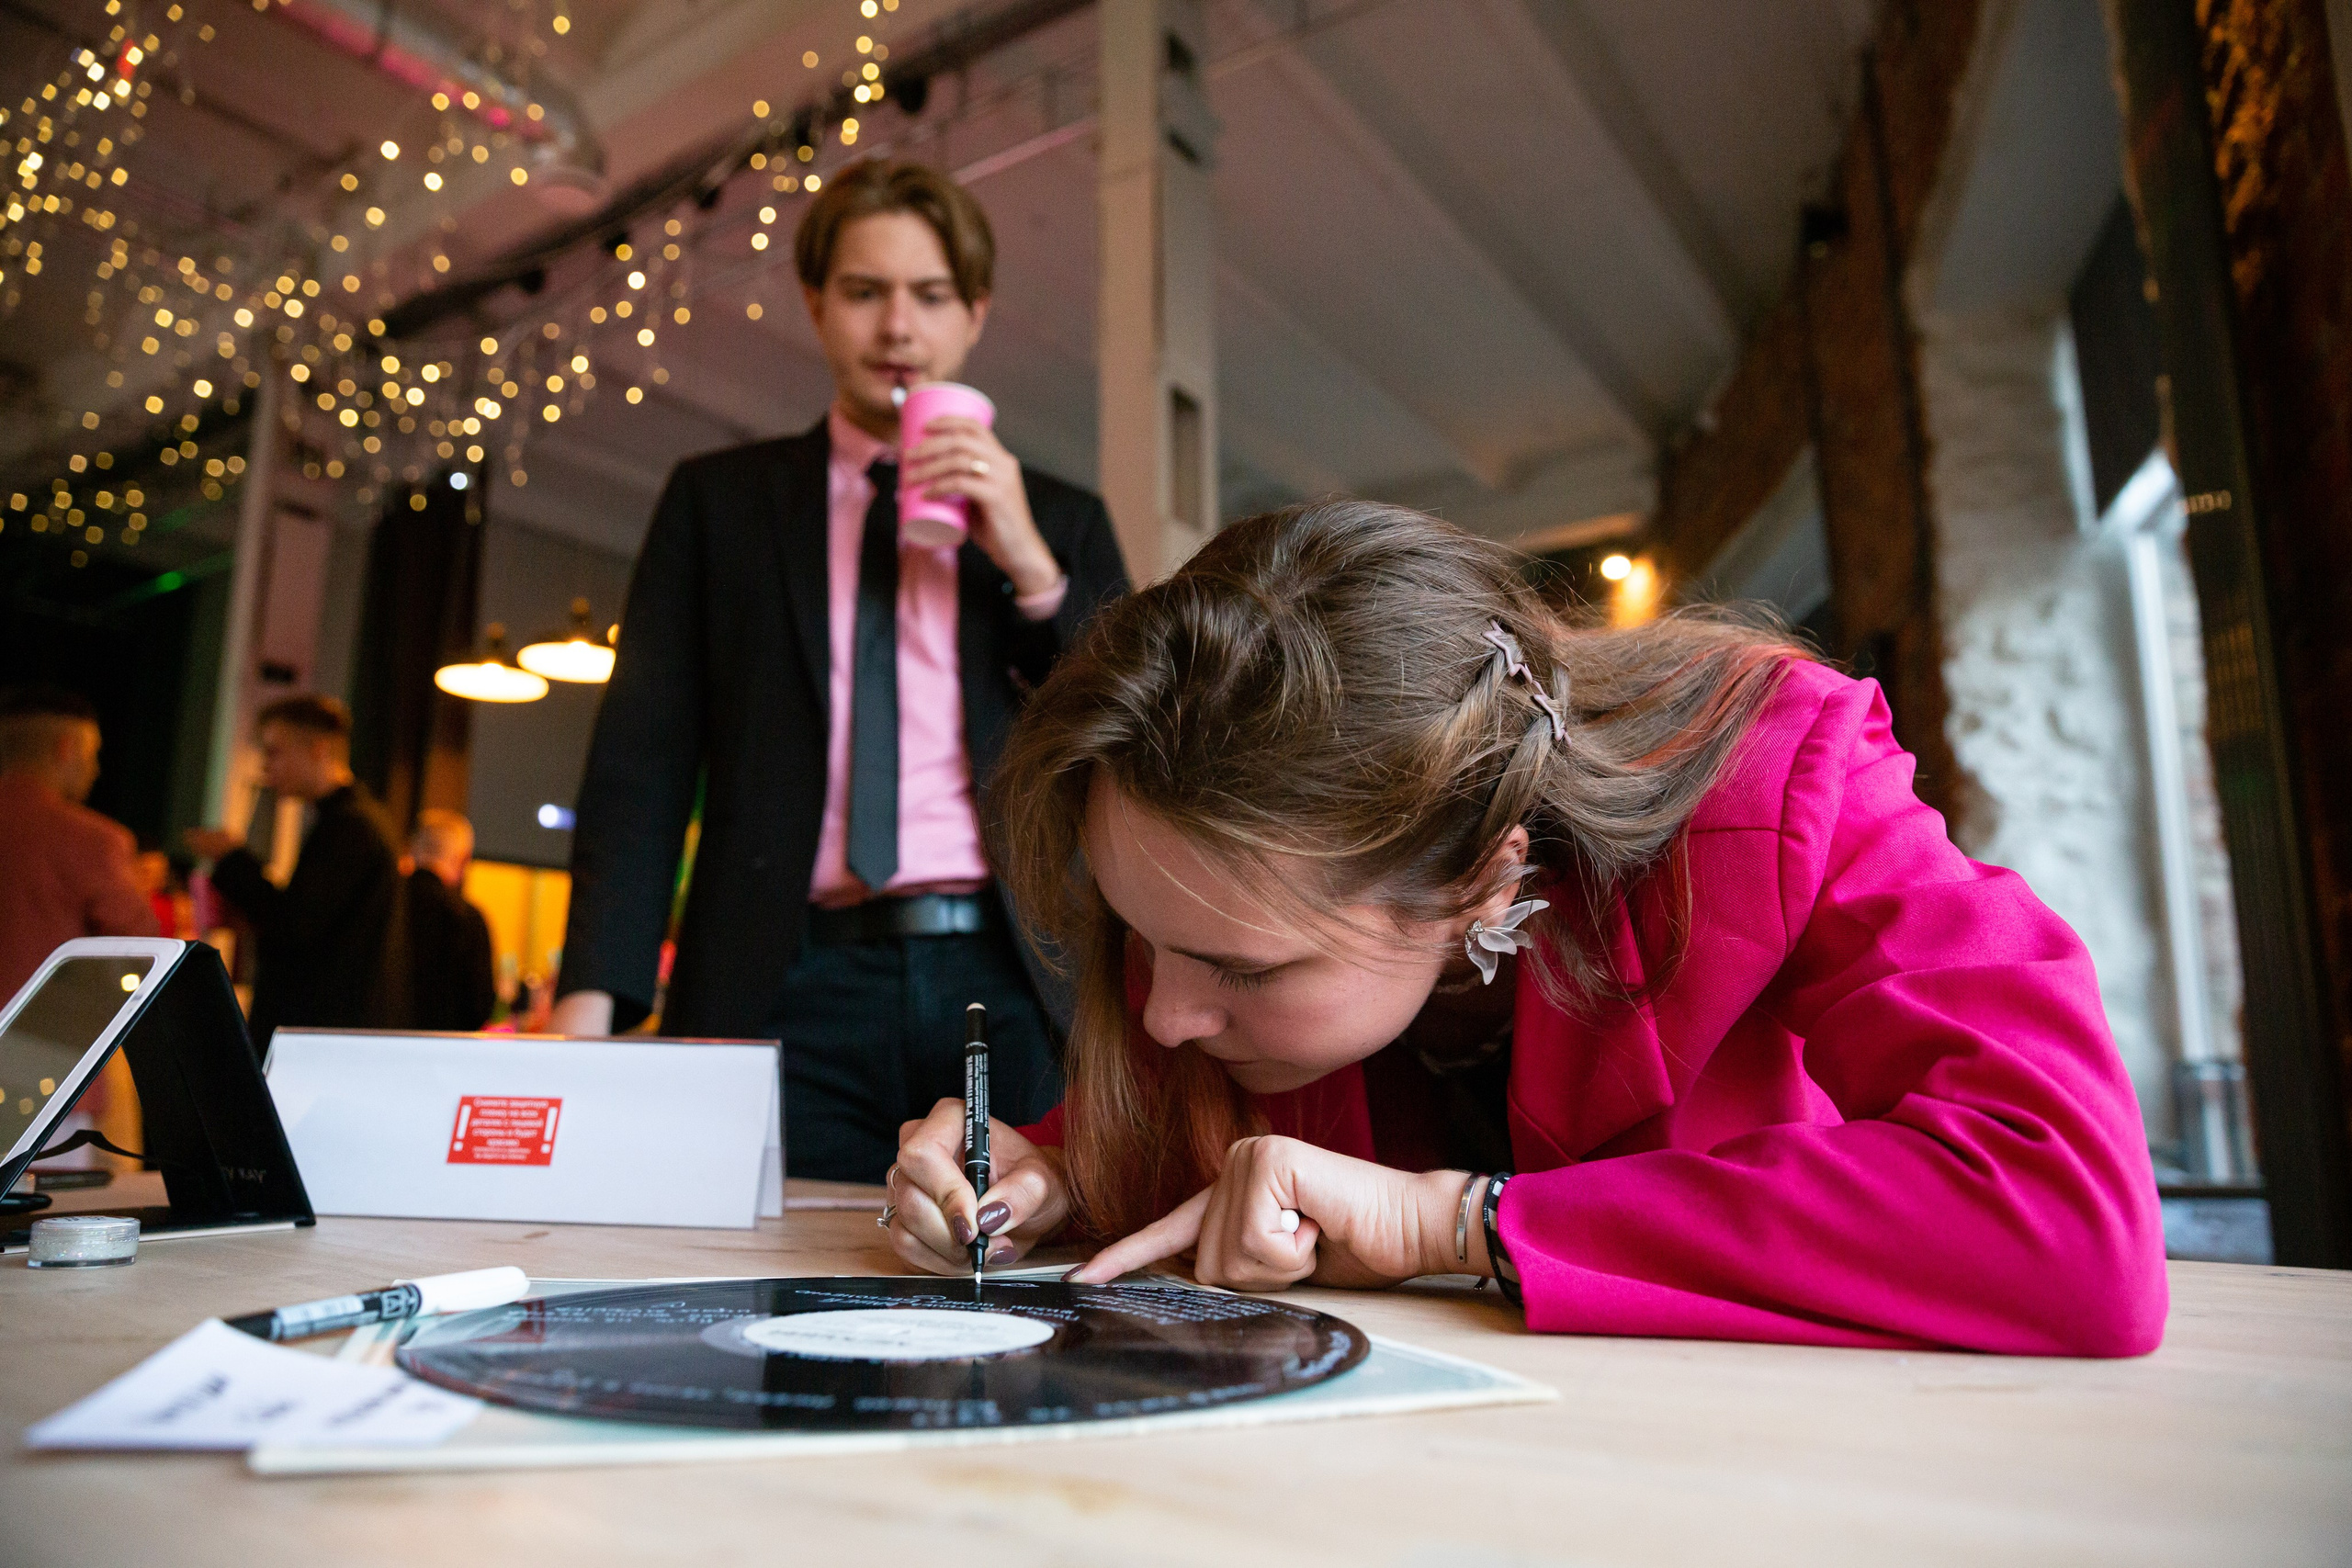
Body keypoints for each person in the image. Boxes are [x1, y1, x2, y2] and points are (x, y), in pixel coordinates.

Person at [884, 502, 2169, 1358]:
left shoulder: (1790, 772)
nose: (1164, 1013)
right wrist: (1044, 1166)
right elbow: (1193, 1155)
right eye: (1136, 932)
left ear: (1489, 882)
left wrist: (1464, 1223)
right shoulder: (1208, 938)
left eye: (1243, 965)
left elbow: (2067, 1216)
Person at [552, 158, 1129, 1181]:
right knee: (763, 1296)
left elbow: (1128, 740)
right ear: (816, 304)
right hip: (780, 977)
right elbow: (640, 763)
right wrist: (586, 1018)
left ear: (975, 313)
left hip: (1005, 974)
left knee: (1015, 1291)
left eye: (930, 296)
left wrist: (1031, 567)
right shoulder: (717, 503)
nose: (896, 328)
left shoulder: (1060, 518)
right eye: (865, 293)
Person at [186, 695, 405, 1048]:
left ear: (318, 749)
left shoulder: (351, 827)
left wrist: (232, 859)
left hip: (318, 1037)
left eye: (275, 752)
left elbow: (292, 926)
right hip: (326, 1034)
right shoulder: (353, 821)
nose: (266, 767)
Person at [0, 685, 157, 1002]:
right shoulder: (92, 839)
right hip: (36, 1037)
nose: (96, 770)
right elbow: (143, 951)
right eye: (93, 754)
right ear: (66, 749)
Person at [403, 808, 495, 1032]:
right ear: (463, 859)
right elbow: (479, 1006)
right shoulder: (468, 919)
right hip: (443, 1052)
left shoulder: (386, 904)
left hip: (378, 1047)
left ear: (414, 850)